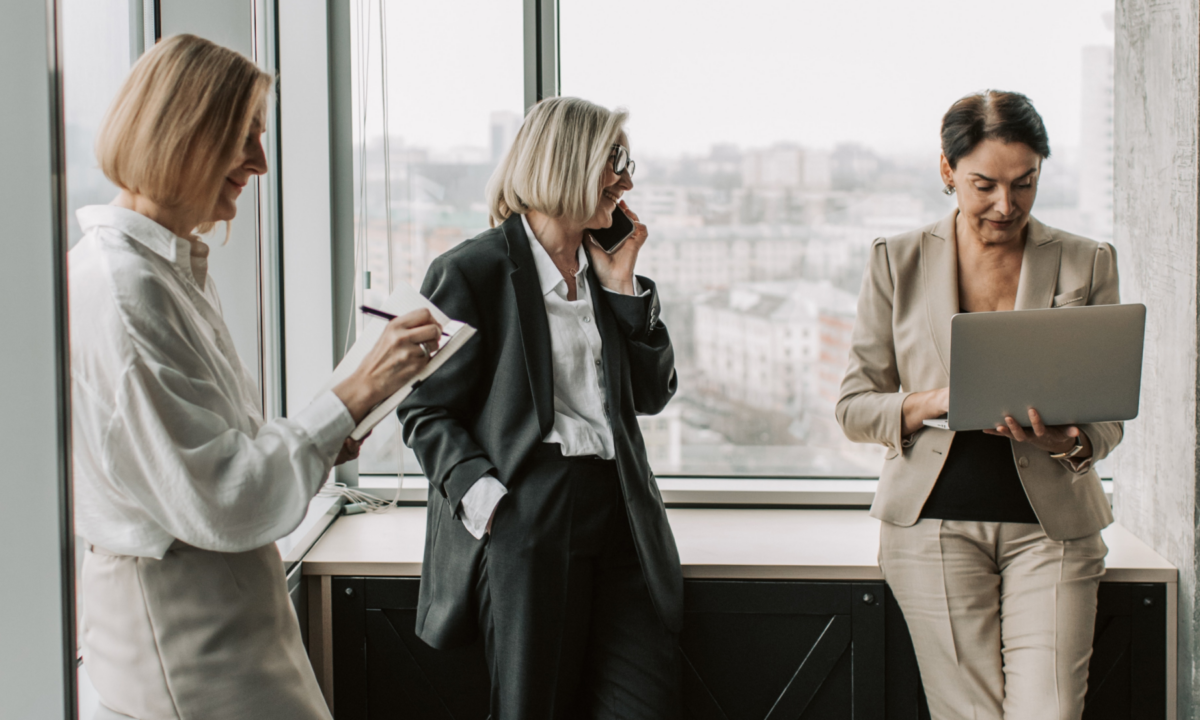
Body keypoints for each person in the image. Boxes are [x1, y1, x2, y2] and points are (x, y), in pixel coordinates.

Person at [70, 35, 441, 720]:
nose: (261, 164)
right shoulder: (125, 290)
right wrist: (355, 391)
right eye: (244, 138)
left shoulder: (165, 273)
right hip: (185, 630)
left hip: (221, 607)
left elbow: (208, 452)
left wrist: (327, 437)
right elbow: (221, 497)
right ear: (182, 135)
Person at [837, 90, 1122, 720]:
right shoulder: (898, 260)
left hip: (1054, 531)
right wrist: (935, 401)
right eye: (984, 184)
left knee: (1048, 712)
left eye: (1025, 183)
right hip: (932, 527)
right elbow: (855, 406)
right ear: (946, 170)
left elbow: (1106, 420)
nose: (1006, 204)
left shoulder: (1087, 261)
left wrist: (1069, 441)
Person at [397, 96, 682, 719]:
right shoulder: (472, 270)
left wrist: (624, 289)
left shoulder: (607, 274)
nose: (628, 180)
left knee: (646, 706)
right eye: (615, 160)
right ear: (566, 161)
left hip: (621, 516)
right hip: (530, 511)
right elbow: (424, 411)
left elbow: (655, 394)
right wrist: (491, 504)